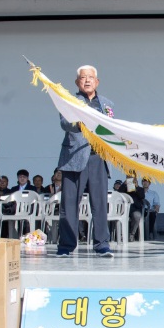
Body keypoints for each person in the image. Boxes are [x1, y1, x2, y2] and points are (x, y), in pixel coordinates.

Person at [56, 65, 114, 258]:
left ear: (97, 82)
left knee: (99, 204)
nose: (87, 80)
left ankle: (102, 245)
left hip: (98, 158)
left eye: (91, 77)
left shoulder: (106, 103)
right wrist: (82, 125)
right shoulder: (70, 101)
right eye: (83, 77)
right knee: (69, 205)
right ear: (77, 82)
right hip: (74, 158)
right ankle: (66, 245)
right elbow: (65, 123)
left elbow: (112, 128)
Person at [116, 175, 147, 242]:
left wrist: (136, 187)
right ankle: (121, 235)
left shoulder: (140, 189)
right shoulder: (124, 188)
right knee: (119, 216)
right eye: (129, 178)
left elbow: (142, 196)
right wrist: (125, 184)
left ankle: (131, 235)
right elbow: (118, 193)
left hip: (135, 209)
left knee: (137, 216)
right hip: (124, 210)